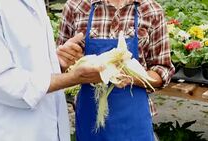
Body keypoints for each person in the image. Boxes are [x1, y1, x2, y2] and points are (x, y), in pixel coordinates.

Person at [0, 0, 103, 141]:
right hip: (7, 131)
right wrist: (73, 78)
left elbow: (28, 60)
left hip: (45, 130)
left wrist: (57, 63)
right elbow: (2, 81)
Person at [57, 0, 175, 140]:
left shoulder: (150, 9)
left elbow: (162, 69)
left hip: (134, 123)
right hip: (90, 120)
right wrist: (63, 61)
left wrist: (130, 76)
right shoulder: (76, 6)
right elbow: (58, 68)